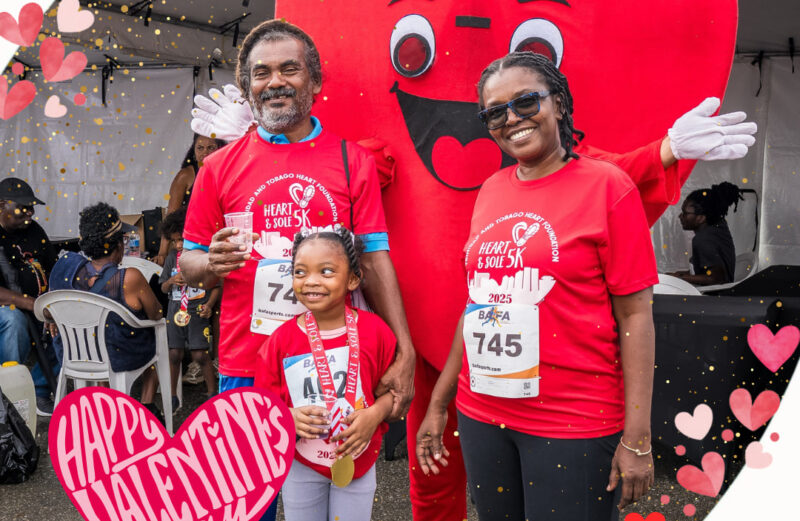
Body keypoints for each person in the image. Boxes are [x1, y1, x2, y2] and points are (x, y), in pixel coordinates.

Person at [179, 20, 415, 520]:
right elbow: (189, 261)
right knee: (250, 504)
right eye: (261, 73)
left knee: (333, 498)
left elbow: (374, 260)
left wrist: (405, 350)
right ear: (247, 86)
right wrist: (209, 263)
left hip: (337, 365)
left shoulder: (352, 161)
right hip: (248, 365)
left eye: (290, 69)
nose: (275, 82)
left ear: (315, 81)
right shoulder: (218, 168)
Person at [415, 52, 658, 521]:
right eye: (495, 113)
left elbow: (636, 315)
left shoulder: (609, 187)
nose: (512, 119)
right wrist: (439, 404)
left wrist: (638, 437)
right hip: (483, 415)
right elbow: (478, 304)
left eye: (525, 102)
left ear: (559, 103)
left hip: (573, 420)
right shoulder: (491, 190)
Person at [255, 228, 395, 521]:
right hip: (301, 464)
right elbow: (262, 407)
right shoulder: (280, 341)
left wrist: (375, 415)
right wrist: (287, 416)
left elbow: (393, 392)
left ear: (353, 280)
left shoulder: (376, 332)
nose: (311, 281)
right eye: (300, 272)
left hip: (358, 461)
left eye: (326, 271)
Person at [48, 202, 165, 420]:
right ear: (119, 245)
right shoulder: (130, 277)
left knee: (103, 335)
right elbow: (157, 314)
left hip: (77, 355)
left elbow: (47, 307)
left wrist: (53, 317)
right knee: (156, 339)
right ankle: (147, 406)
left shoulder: (68, 270)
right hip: (118, 355)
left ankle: (105, 401)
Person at [0, 177, 59, 416]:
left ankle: (39, 390)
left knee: (68, 320)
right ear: (2, 205)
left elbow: (54, 268)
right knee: (13, 320)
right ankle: (9, 393)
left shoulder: (34, 231)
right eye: (23, 207)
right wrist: (32, 304)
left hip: (39, 305)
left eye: (31, 207)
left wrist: (54, 301)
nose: (30, 212)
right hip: (9, 308)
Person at [158, 207, 219, 411]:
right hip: (175, 311)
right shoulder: (171, 258)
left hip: (197, 310)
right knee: (174, 354)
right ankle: (172, 396)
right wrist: (171, 281)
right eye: (174, 241)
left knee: (200, 354)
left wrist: (209, 305)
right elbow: (162, 287)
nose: (178, 245)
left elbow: (216, 286)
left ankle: (212, 395)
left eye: (181, 240)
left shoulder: (202, 256)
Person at [153, 133, 227, 266]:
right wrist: (162, 253)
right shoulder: (186, 175)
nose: (205, 152)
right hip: (193, 241)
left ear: (219, 149)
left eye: (211, 147)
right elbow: (171, 217)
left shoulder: (227, 173)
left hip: (221, 238)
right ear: (194, 151)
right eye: (200, 148)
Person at [672, 181, 742, 285]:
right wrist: (679, 275)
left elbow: (717, 279)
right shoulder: (718, 227)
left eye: (685, 213)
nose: (680, 216)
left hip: (713, 294)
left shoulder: (703, 239)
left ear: (701, 218)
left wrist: (680, 277)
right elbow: (704, 270)